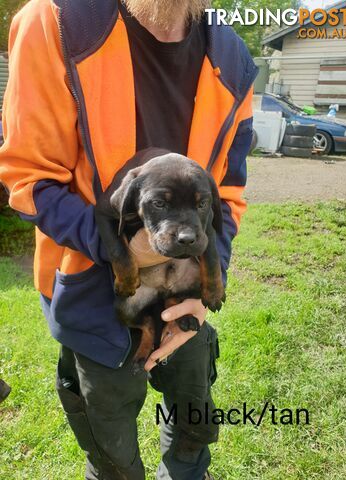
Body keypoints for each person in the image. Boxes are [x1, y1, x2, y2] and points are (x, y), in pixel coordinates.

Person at [0, 0, 257, 478]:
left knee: (193, 424)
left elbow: (228, 192)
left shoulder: (233, 56)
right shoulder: (59, 21)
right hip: (91, 296)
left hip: (186, 296)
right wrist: (123, 251)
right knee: (112, 448)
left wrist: (203, 286)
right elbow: (28, 180)